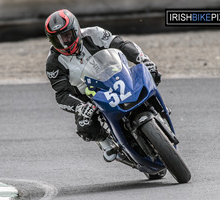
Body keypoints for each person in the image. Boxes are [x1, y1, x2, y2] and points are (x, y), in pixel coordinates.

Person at [44, 9, 161, 162]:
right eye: (57, 40)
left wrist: (143, 60)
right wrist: (80, 107)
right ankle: (105, 143)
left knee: (150, 73)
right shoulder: (53, 62)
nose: (64, 43)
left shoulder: (94, 33)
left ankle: (158, 109)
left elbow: (122, 45)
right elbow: (61, 94)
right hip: (89, 96)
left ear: (76, 29)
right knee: (84, 123)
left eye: (66, 36)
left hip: (116, 76)